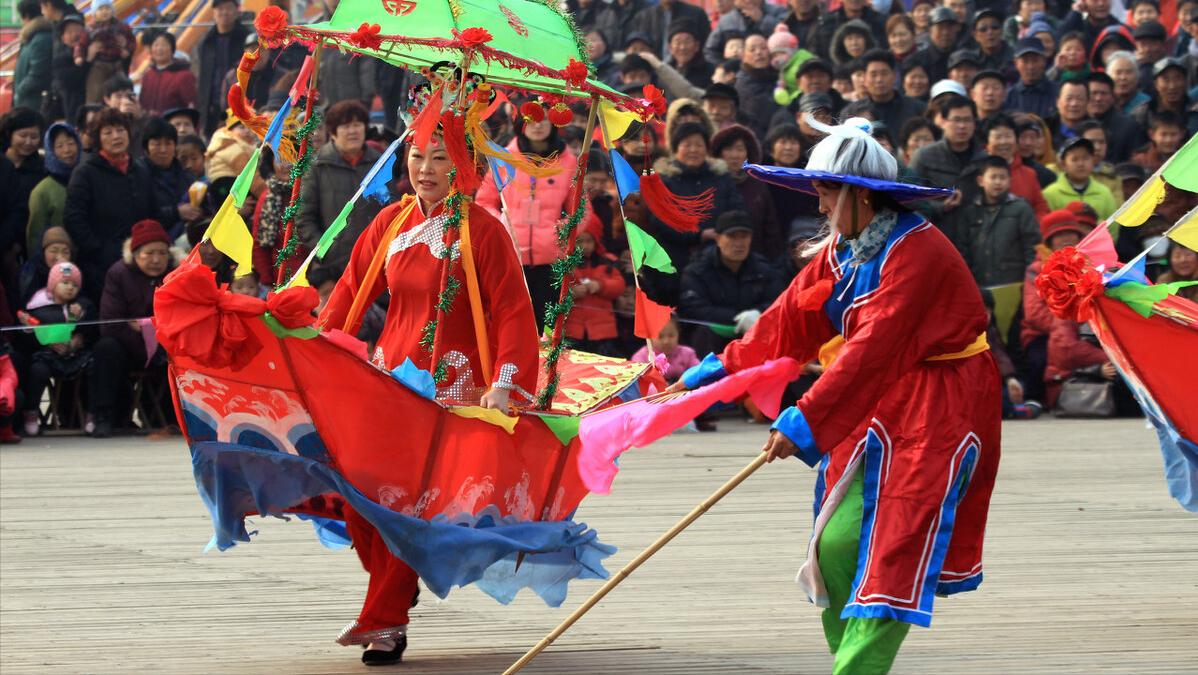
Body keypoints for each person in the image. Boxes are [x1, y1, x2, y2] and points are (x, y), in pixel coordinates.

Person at [673, 116, 999, 675]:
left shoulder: (917, 253)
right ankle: (848, 662)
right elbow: (785, 322)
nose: (818, 206)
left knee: (895, 546)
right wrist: (713, 373)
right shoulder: (842, 250)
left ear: (859, 196)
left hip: (942, 401)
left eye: (825, 193)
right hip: (875, 397)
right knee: (837, 546)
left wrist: (803, 421)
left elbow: (873, 348)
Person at [317, 121, 539, 667]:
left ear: (464, 168)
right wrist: (315, 349)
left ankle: (386, 620)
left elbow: (512, 309)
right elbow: (349, 292)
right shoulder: (389, 223)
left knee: (411, 505)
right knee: (361, 496)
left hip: (455, 387)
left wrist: (505, 382)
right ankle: (390, 592)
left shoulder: (482, 230)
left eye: (440, 158)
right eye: (417, 156)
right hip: (389, 378)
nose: (425, 169)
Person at [476, 113, 592, 329]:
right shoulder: (503, 157)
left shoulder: (568, 162)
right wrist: (501, 224)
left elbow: (582, 210)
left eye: (544, 120)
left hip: (550, 260)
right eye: (531, 119)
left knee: (547, 327)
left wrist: (562, 231)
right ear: (520, 123)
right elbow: (483, 202)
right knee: (509, 322)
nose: (537, 125)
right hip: (510, 254)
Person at [64, 107, 160, 303]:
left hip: (140, 260)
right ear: (98, 138)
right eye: (108, 132)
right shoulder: (86, 173)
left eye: (120, 130)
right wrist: (98, 249)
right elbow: (73, 218)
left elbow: (153, 211)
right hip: (100, 265)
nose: (116, 136)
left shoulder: (140, 169)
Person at [91, 219, 176, 437]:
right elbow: (111, 322)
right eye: (149, 253)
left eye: (162, 253)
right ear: (135, 253)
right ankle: (104, 416)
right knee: (106, 347)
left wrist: (152, 333)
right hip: (130, 346)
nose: (156, 260)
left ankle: (174, 417)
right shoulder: (119, 273)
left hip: (167, 344)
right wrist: (145, 344)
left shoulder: (176, 274)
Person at [678, 210, 785, 359]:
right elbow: (695, 309)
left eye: (744, 236)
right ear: (717, 238)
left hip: (754, 339)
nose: (739, 243)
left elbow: (779, 300)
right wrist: (736, 318)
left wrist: (759, 313)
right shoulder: (697, 271)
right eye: (732, 236)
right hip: (711, 345)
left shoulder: (763, 269)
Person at [18, 261, 95, 437]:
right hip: (48, 355)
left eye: (75, 285)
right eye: (65, 283)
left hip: (76, 355)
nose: (70, 288)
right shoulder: (38, 308)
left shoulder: (82, 306)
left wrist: (80, 332)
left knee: (94, 365)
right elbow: (28, 338)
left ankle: (92, 413)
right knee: (37, 370)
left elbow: (92, 330)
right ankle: (31, 412)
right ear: (52, 285)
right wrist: (28, 328)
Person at [944, 155, 1042, 287]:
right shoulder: (970, 212)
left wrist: (1031, 282)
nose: (998, 182)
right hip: (979, 284)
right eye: (993, 177)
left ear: (1009, 180)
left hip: (1015, 283)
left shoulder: (1021, 209)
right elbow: (963, 250)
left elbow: (1032, 247)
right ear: (980, 181)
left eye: (1002, 177)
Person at [711, 124, 784, 259]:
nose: (734, 155)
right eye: (728, 149)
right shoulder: (710, 183)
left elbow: (770, 229)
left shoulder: (758, 185)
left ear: (748, 153)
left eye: (740, 149)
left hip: (756, 259)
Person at [1, 108, 47, 304]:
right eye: (23, 135)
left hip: (25, 247)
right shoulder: (3, 165)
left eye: (34, 136)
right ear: (10, 134)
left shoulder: (41, 169)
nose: (29, 142)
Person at [563, 219, 626, 356]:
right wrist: (570, 293)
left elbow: (619, 285)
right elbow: (554, 290)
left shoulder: (607, 262)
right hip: (574, 329)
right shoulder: (564, 264)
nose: (585, 246)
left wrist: (600, 285)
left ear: (596, 241)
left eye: (589, 241)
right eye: (580, 241)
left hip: (602, 331)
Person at [138, 117, 202, 240]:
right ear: (146, 147)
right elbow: (141, 213)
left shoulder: (187, 176)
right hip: (150, 239)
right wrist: (176, 213)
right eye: (157, 144)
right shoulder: (137, 173)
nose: (163, 149)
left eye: (168, 143)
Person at [194, 0, 250, 136]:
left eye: (228, 8)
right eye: (220, 8)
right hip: (211, 107)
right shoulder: (206, 42)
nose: (224, 12)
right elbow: (202, 78)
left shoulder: (247, 39)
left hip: (240, 104)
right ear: (213, 13)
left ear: (237, 12)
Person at [841, 50, 926, 136]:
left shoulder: (918, 109)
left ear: (894, 76)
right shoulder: (852, 112)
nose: (879, 80)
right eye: (873, 75)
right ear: (865, 78)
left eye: (884, 74)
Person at [26, 123, 81, 255]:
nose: (67, 150)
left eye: (71, 143)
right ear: (50, 151)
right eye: (59, 146)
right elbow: (35, 236)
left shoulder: (88, 178)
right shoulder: (42, 191)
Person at [981, 114, 1050, 216]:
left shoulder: (1029, 174)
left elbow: (1041, 208)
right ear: (987, 142)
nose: (1003, 142)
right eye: (998, 137)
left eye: (1008, 136)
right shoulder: (975, 170)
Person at [1042, 136, 1118, 219]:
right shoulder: (1050, 194)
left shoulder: (1104, 193)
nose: (1081, 164)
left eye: (1086, 158)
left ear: (1093, 161)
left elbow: (1111, 227)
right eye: (1074, 159)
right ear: (1063, 164)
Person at [80, 0, 134, 104]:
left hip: (117, 63)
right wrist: (81, 56)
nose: (105, 11)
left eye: (107, 8)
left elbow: (131, 41)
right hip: (99, 64)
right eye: (100, 9)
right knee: (95, 93)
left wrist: (127, 50)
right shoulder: (90, 28)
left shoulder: (121, 26)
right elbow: (82, 45)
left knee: (121, 91)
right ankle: (93, 114)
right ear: (95, 12)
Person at [139, 30, 197, 116]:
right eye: (156, 45)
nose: (159, 49)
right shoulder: (148, 75)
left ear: (172, 49)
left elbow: (191, 105)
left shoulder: (185, 76)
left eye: (164, 45)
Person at [631, 315, 700, 383]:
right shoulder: (641, 357)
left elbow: (698, 373)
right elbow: (638, 381)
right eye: (660, 336)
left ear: (678, 333)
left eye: (671, 335)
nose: (666, 341)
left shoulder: (688, 353)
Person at [13, 0, 54, 112]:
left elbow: (38, 73)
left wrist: (20, 90)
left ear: (25, 16)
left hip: (34, 102)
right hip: (28, 100)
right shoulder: (32, 37)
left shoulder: (40, 39)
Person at [1004, 37, 1058, 119]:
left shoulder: (1058, 92)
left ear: (1044, 61)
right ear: (1016, 63)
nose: (1031, 66)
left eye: (1035, 60)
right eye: (1025, 61)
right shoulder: (1008, 97)